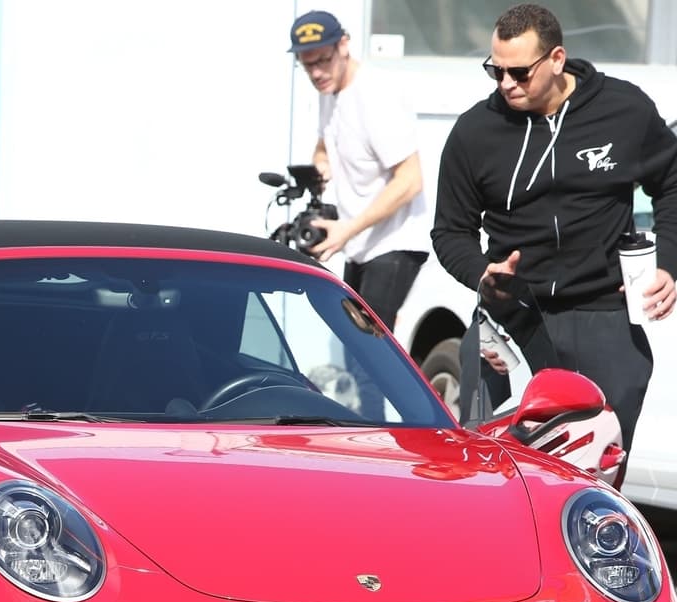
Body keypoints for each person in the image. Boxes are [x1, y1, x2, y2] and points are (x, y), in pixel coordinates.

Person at [432, 3, 677, 455]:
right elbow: (449, 232)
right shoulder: (474, 132)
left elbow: (672, 183)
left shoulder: (624, 110)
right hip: (511, 319)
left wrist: (669, 263)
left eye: (520, 72)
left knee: (593, 479)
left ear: (557, 59)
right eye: (496, 70)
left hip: (604, 315)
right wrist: (482, 273)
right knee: (493, 469)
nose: (506, 84)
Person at [287, 10, 431, 420]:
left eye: (322, 60)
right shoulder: (330, 94)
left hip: (395, 241)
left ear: (344, 45)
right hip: (362, 243)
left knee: (369, 359)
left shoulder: (374, 96)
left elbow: (411, 180)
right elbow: (324, 143)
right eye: (307, 64)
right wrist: (320, 171)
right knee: (359, 353)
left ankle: (387, 449)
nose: (316, 72)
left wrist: (348, 227)